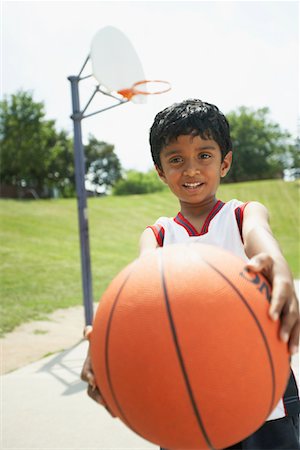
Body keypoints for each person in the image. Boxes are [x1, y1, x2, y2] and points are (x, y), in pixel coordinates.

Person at [81, 99, 300, 449]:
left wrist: (278, 266)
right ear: (160, 171)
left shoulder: (243, 215)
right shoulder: (158, 235)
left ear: (225, 162)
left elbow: (262, 240)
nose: (191, 169)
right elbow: (138, 295)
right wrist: (106, 342)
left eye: (204, 155)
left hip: (261, 394)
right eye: (176, 159)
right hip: (186, 398)